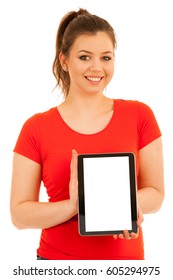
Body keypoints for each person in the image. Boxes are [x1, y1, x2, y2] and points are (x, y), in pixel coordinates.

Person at [10, 8, 164, 260]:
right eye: (84, 57)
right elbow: (19, 216)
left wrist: (121, 204)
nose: (96, 68)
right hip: (57, 264)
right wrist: (74, 205)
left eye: (106, 58)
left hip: (125, 268)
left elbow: (155, 194)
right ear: (64, 61)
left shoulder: (140, 115)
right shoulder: (35, 127)